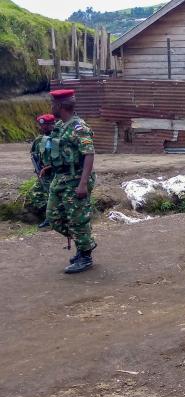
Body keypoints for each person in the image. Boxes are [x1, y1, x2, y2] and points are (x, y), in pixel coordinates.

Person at [46, 89, 97, 274]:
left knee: (77, 219)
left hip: (76, 180)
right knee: (53, 217)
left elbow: (89, 154)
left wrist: (83, 184)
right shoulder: (61, 126)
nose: (51, 107)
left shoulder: (79, 128)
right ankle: (84, 241)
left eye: (53, 104)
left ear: (60, 106)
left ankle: (85, 255)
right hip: (60, 179)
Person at [29, 114, 57, 228]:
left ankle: (52, 219)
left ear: (52, 125)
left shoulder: (57, 139)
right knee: (36, 194)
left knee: (53, 196)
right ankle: (51, 216)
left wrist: (47, 168)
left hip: (56, 173)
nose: (42, 128)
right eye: (41, 125)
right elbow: (34, 154)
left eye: (45, 125)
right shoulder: (39, 140)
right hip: (43, 174)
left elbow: (60, 159)